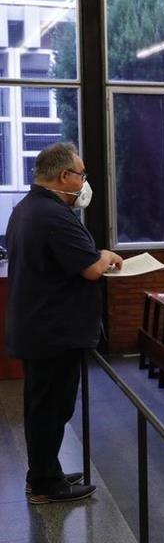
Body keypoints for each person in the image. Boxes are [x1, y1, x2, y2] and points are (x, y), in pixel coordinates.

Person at [5, 142, 117, 503]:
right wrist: (106, 256)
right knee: (51, 408)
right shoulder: (53, 215)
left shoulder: (26, 208)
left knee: (43, 407)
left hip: (39, 327)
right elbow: (89, 269)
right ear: (65, 175)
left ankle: (43, 472)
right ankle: (45, 483)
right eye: (82, 174)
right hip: (54, 332)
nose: (84, 181)